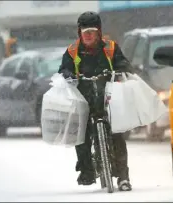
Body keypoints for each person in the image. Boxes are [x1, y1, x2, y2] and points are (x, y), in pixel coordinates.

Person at [58, 11, 133, 191]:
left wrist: (120, 71)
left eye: (92, 31)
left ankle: (123, 177)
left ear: (99, 32)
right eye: (85, 32)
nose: (88, 35)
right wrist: (69, 76)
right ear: (79, 33)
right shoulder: (72, 51)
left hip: (108, 98)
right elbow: (64, 69)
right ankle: (86, 171)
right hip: (84, 99)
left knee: (117, 134)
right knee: (81, 133)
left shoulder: (111, 48)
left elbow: (123, 64)